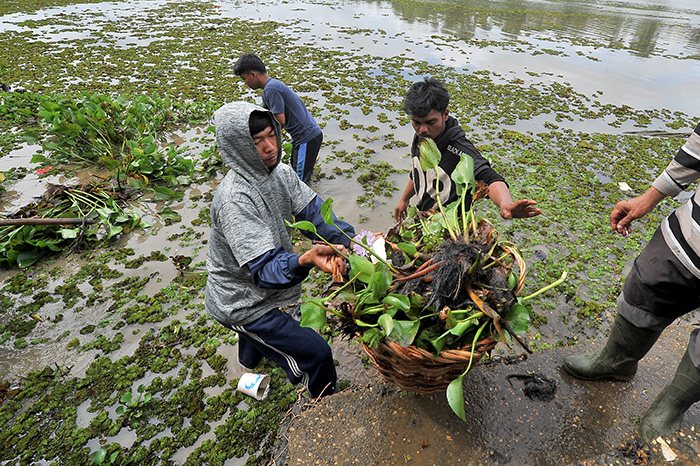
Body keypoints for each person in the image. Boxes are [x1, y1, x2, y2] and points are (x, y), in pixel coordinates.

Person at [205, 101, 354, 398]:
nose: (270, 146)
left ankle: (246, 365)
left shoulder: (282, 173)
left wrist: (354, 241)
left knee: (258, 343)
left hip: (257, 286)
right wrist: (306, 259)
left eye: (271, 135)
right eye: (257, 142)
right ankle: (323, 407)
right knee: (318, 353)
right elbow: (266, 271)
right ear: (238, 148)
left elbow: (317, 215)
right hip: (242, 301)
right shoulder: (235, 199)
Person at [563, 123, 700, 441]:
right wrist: (650, 198)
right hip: (691, 233)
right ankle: (616, 361)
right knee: (647, 284)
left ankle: (671, 405)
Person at [393, 77, 542, 223]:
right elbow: (418, 172)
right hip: (425, 220)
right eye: (416, 122)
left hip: (451, 230)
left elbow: (490, 178)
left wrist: (506, 204)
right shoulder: (423, 138)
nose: (422, 129)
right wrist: (404, 200)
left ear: (445, 114)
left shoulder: (460, 150)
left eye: (430, 122)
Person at [233, 52, 323, 184]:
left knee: (300, 183)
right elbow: (266, 117)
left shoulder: (271, 89)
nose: (245, 83)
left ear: (253, 74)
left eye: (244, 79)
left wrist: (268, 140)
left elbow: (280, 121)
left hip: (306, 137)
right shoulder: (269, 88)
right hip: (303, 138)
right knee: (297, 174)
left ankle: (312, 203)